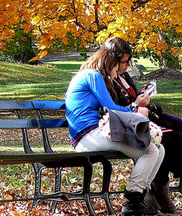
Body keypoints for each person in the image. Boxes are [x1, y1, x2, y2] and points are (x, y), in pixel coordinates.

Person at [65, 37, 164, 216]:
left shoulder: (92, 75)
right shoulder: (92, 75)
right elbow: (110, 108)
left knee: (159, 149)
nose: (120, 71)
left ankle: (137, 197)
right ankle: (131, 201)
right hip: (86, 137)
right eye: (120, 65)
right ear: (111, 61)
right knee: (150, 150)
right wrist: (136, 109)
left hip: (95, 134)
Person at [104, 37, 182, 214]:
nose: (126, 65)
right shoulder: (106, 77)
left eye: (128, 61)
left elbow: (131, 99)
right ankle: (155, 193)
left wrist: (142, 98)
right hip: (127, 123)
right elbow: (114, 107)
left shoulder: (123, 75)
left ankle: (157, 191)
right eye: (123, 61)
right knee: (163, 142)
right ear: (113, 60)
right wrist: (136, 105)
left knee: (175, 136)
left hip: (139, 118)